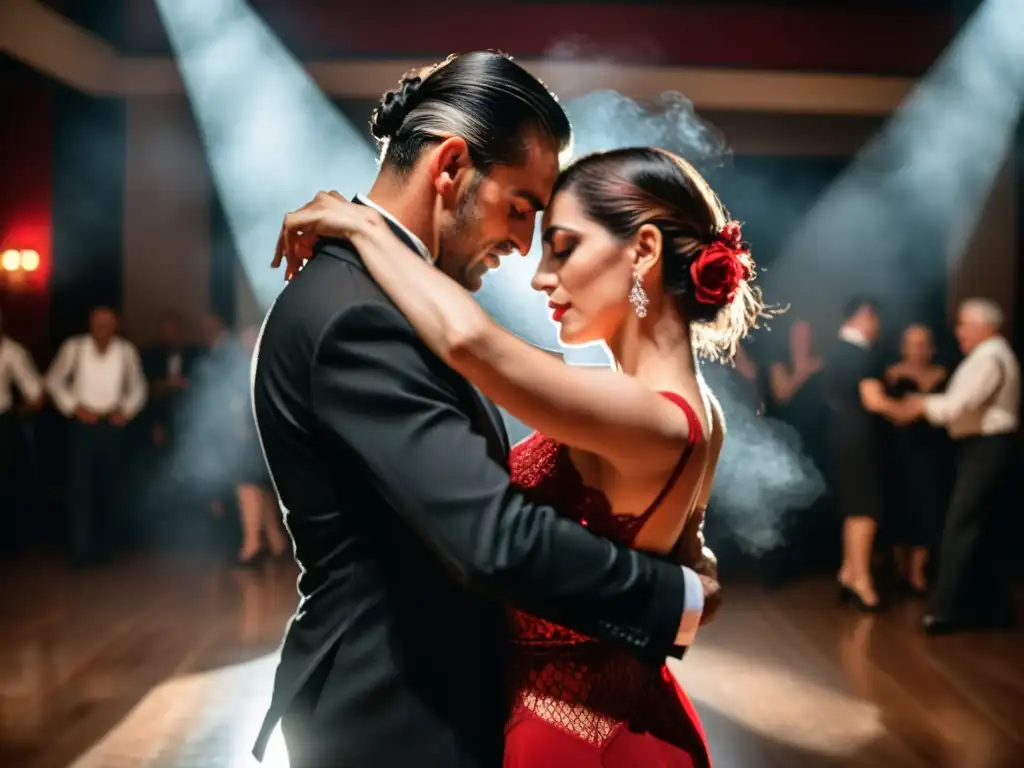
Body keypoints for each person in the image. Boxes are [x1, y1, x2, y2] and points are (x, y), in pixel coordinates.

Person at [252, 53, 720, 768]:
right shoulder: (359, 315)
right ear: (450, 167)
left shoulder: (381, 294)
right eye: (522, 208)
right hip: (394, 714)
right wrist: (673, 596)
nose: (525, 247)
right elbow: (490, 538)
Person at [901, 299, 1019, 634]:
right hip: (982, 449)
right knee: (980, 532)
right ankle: (994, 611)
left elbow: (956, 407)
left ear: (987, 327)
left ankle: (947, 611)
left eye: (965, 324)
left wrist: (920, 404)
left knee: (960, 528)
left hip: (987, 450)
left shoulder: (990, 358)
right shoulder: (988, 356)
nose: (959, 331)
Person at [45, 306, 147, 566]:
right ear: (90, 324)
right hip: (83, 426)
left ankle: (105, 549)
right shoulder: (74, 347)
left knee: (109, 485)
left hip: (112, 426)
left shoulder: (126, 351)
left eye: (107, 322)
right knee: (80, 487)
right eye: (98, 322)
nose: (102, 327)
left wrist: (126, 409)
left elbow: (138, 386)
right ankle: (82, 551)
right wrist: (73, 406)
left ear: (116, 325)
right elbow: (54, 380)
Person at [822, 297, 895, 611]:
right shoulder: (858, 354)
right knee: (866, 509)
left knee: (855, 509)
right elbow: (874, 401)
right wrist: (911, 409)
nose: (878, 328)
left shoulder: (836, 350)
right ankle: (861, 579)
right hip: (858, 439)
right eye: (876, 320)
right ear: (865, 316)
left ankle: (849, 571)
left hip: (842, 438)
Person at [883, 323, 948, 596]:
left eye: (922, 343)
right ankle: (899, 570)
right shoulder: (891, 374)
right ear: (903, 346)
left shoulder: (943, 374)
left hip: (933, 455)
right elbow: (886, 413)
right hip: (898, 454)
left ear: (931, 347)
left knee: (928, 510)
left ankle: (918, 574)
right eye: (912, 343)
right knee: (899, 511)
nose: (917, 349)